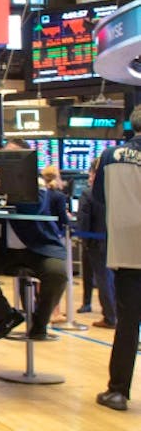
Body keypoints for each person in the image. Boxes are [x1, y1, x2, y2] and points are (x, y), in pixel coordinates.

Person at [0, 163, 68, 342]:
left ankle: (40, 322)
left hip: (38, 248)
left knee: (56, 273)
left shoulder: (36, 183)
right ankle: (5, 316)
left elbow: (34, 207)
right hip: (3, 250)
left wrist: (4, 194)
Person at [94, 105, 141, 411]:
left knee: (128, 323)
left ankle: (118, 392)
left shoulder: (111, 156)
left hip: (128, 250)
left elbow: (100, 198)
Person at [77, 158, 116, 329]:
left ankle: (110, 317)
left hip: (96, 242)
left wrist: (84, 240)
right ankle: (117, 313)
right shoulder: (116, 191)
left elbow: (83, 220)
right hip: (115, 240)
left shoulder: (89, 193)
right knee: (114, 279)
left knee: (103, 279)